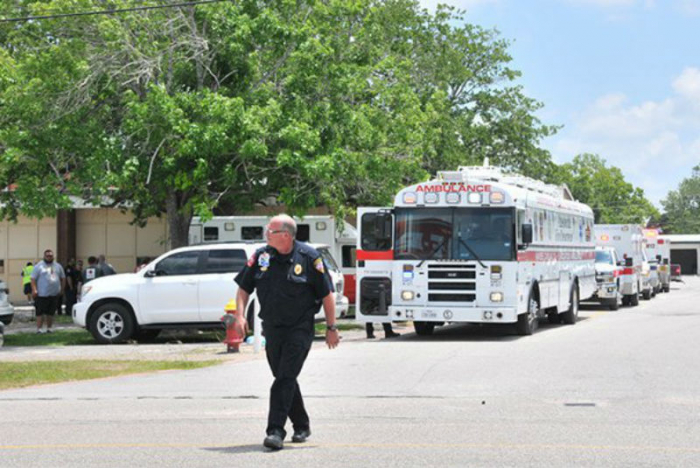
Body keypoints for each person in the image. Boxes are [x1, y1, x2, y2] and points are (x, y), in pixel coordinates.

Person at [234, 214, 339, 451]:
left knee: (284, 378)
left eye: (270, 231)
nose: (265, 234)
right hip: (273, 328)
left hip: (299, 328)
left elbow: (326, 295)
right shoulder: (262, 257)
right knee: (284, 377)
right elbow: (243, 289)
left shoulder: (310, 258)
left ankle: (275, 431)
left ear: (286, 235)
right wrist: (240, 315)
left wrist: (332, 327)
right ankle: (302, 424)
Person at [30, 249, 65, 334]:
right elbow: (33, 279)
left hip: (54, 293)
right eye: (48, 256)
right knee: (40, 313)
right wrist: (34, 290)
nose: (49, 257)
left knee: (51, 312)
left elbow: (63, 278)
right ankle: (39, 329)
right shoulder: (39, 266)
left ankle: (49, 328)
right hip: (42, 294)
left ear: (53, 257)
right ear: (44, 256)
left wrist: (62, 289)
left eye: (51, 256)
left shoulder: (58, 266)